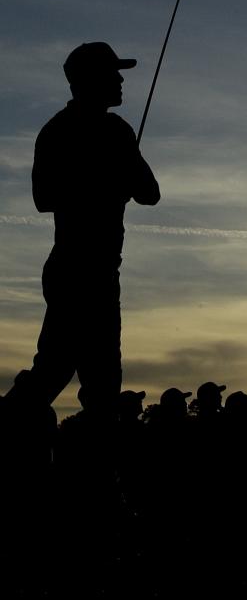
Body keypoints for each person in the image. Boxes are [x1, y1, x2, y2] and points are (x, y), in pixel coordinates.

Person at [5, 42, 160, 424]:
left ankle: (94, 473)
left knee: (101, 384)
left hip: (102, 272)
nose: (121, 80)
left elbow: (149, 194)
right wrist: (105, 179)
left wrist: (122, 168)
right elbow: (44, 198)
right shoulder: (61, 131)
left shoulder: (116, 131)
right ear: (90, 80)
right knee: (58, 370)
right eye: (113, 73)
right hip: (75, 269)